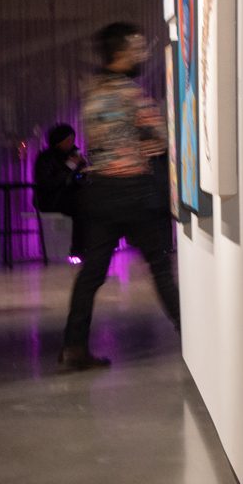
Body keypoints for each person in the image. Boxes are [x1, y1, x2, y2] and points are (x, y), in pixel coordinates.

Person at [61, 22, 181, 372]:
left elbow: (102, 141)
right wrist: (143, 145)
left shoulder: (92, 92)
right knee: (160, 267)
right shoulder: (132, 95)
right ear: (120, 54)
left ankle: (74, 347)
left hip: (99, 194)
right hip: (133, 192)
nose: (142, 53)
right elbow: (161, 137)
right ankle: (193, 337)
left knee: (91, 275)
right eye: (137, 48)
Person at [33, 123, 87, 257]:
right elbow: (47, 184)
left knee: (93, 203)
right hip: (51, 199)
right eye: (67, 140)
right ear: (58, 141)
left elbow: (79, 179)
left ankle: (98, 246)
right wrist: (69, 166)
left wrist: (83, 169)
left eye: (72, 140)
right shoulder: (46, 157)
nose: (71, 143)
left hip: (72, 196)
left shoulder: (74, 154)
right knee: (80, 207)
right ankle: (78, 250)